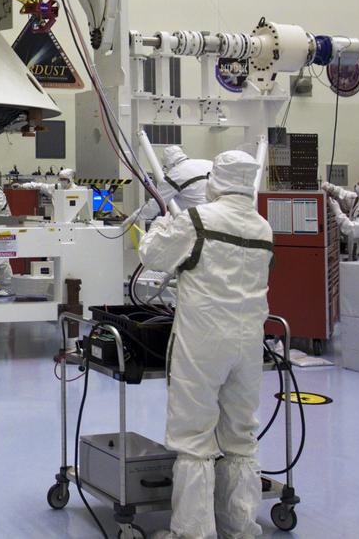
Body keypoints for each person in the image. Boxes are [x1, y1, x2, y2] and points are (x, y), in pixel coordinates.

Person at [139, 150, 274, 539]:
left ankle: (193, 532)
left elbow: (152, 255)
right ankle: (240, 526)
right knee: (240, 436)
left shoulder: (197, 220)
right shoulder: (263, 227)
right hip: (248, 343)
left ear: (217, 179)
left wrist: (161, 223)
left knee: (194, 437)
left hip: (202, 342)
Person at [140, 145, 213, 220]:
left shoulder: (174, 174)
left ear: (168, 162)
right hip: (219, 215)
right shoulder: (209, 164)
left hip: (198, 219)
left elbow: (154, 206)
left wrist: (132, 218)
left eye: (165, 167)